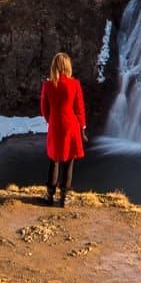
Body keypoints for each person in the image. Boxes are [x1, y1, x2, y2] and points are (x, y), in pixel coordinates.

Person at [40, 51, 86, 206]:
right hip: (71, 127)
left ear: (54, 66)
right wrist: (82, 126)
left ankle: (49, 195)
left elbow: (44, 109)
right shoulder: (75, 84)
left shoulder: (48, 85)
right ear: (68, 67)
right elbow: (79, 108)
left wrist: (51, 120)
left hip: (55, 126)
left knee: (54, 161)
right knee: (68, 162)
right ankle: (65, 196)